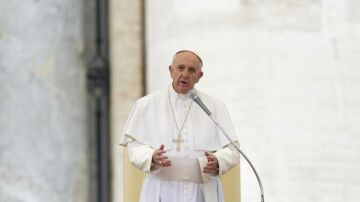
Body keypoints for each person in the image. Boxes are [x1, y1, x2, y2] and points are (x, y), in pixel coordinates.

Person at [119, 50, 240, 202]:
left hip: (202, 192)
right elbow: (134, 149)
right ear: (171, 71)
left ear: (199, 76)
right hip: (161, 190)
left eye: (192, 70)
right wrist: (151, 157)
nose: (185, 74)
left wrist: (219, 160)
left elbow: (233, 150)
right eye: (180, 68)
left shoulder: (215, 107)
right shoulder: (146, 105)